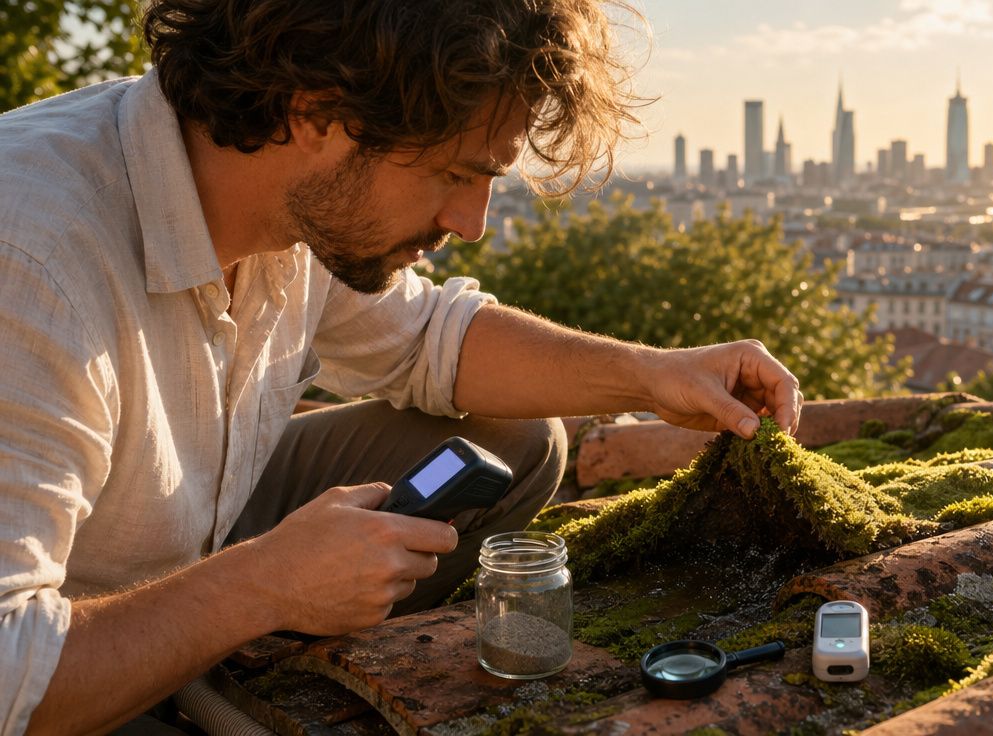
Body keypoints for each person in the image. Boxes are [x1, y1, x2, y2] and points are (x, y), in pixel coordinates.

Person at [0, 0, 801, 732]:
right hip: (42, 640)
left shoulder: (283, 189)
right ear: (318, 111)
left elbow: (430, 342)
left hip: (178, 536)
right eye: (456, 174)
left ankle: (220, 654)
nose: (472, 221)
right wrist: (260, 586)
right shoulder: (32, 258)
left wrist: (652, 375)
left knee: (516, 442)